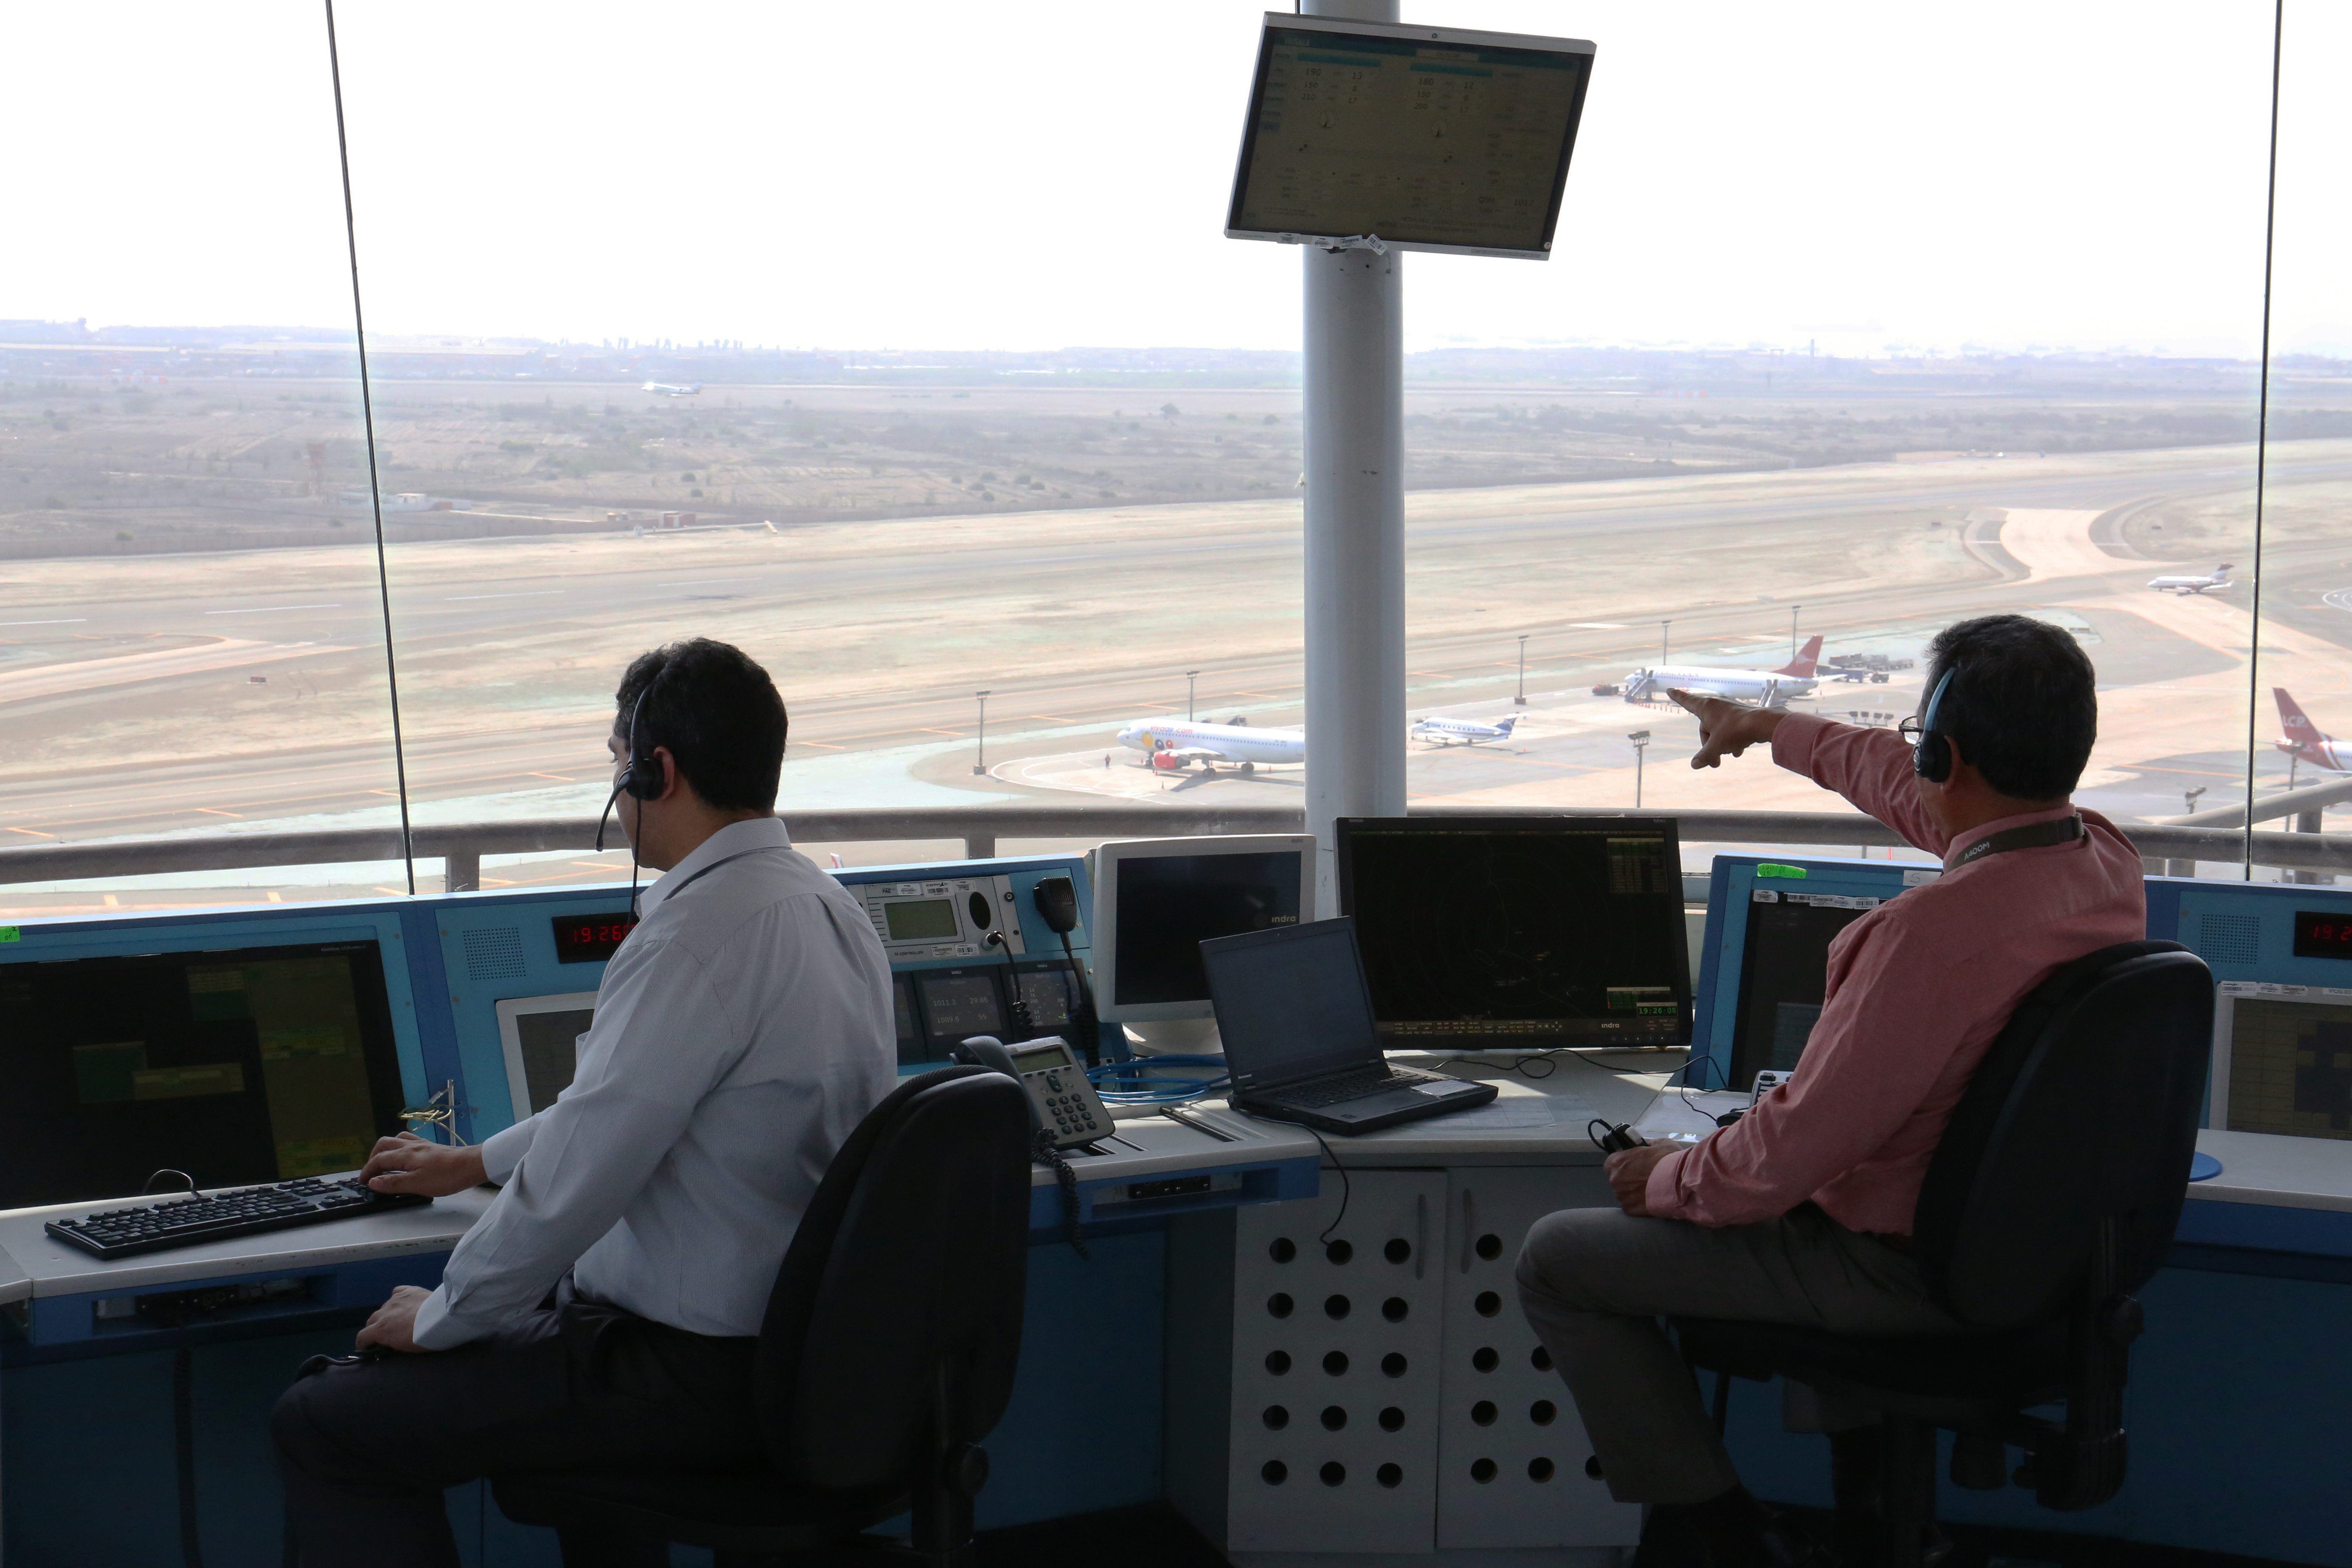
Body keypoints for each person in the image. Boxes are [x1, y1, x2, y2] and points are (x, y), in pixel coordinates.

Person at [1515, 615, 2144, 1568]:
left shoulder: (1925, 934)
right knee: (1827, 1197)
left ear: (1945, 749)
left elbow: (1787, 1156)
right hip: (2032, 1259)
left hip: (1906, 1272)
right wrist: (1769, 726)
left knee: (1560, 1255)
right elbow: (1909, 789)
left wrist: (1664, 1179)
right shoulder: (2100, 860)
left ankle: (1723, 1536)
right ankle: (1880, 1523)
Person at [274, 638, 896, 1568]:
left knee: (327, 1419)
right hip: (807, 1359)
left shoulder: (694, 933)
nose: (617, 778)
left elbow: (583, 1175)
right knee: (549, 1334)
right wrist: (474, 1163)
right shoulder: (827, 906)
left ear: (660, 769)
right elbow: (626, 1105)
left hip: (693, 1371)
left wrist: (447, 1313)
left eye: (619, 758)